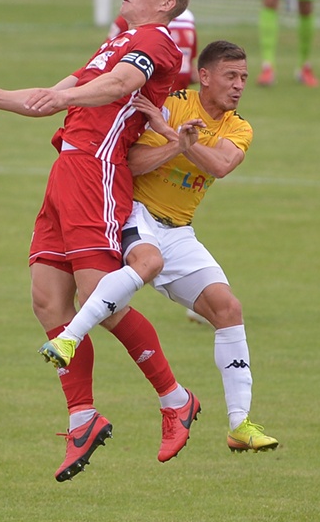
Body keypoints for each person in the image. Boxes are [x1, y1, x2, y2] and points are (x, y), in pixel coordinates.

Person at [0, 0, 201, 480]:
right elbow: (50, 97)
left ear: (166, 4)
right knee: (47, 299)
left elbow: (119, 85)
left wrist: (65, 97)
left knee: (98, 300)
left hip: (98, 173)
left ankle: (176, 399)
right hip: (65, 172)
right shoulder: (116, 43)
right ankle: (83, 417)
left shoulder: (158, 41)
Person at [40, 40, 279, 453]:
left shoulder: (239, 127)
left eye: (243, 77)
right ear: (204, 76)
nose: (239, 85)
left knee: (228, 308)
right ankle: (70, 338)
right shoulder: (171, 104)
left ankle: (240, 424)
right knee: (147, 261)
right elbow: (129, 164)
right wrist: (176, 140)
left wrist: (175, 139)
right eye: (230, 76)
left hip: (181, 229)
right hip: (136, 214)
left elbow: (220, 166)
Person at [109, 0, 204, 326]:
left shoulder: (185, 23)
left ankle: (147, 267)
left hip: (171, 111)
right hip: (144, 112)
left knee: (174, 197)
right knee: (140, 191)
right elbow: (113, 63)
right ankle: (129, 258)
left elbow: (191, 69)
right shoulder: (127, 24)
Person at [108, 0, 198, 92]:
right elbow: (107, 61)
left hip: (177, 102)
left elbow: (189, 65)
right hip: (146, 101)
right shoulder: (129, 19)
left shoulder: (187, 19)